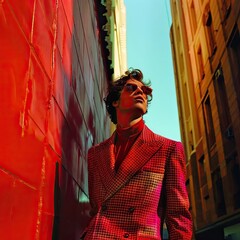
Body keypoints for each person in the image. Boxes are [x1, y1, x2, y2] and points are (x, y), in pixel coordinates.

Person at [81, 68, 192, 239]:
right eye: (131, 88)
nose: (140, 91)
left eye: (144, 91)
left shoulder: (168, 149)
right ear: (115, 102)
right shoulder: (95, 154)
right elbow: (96, 210)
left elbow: (178, 217)